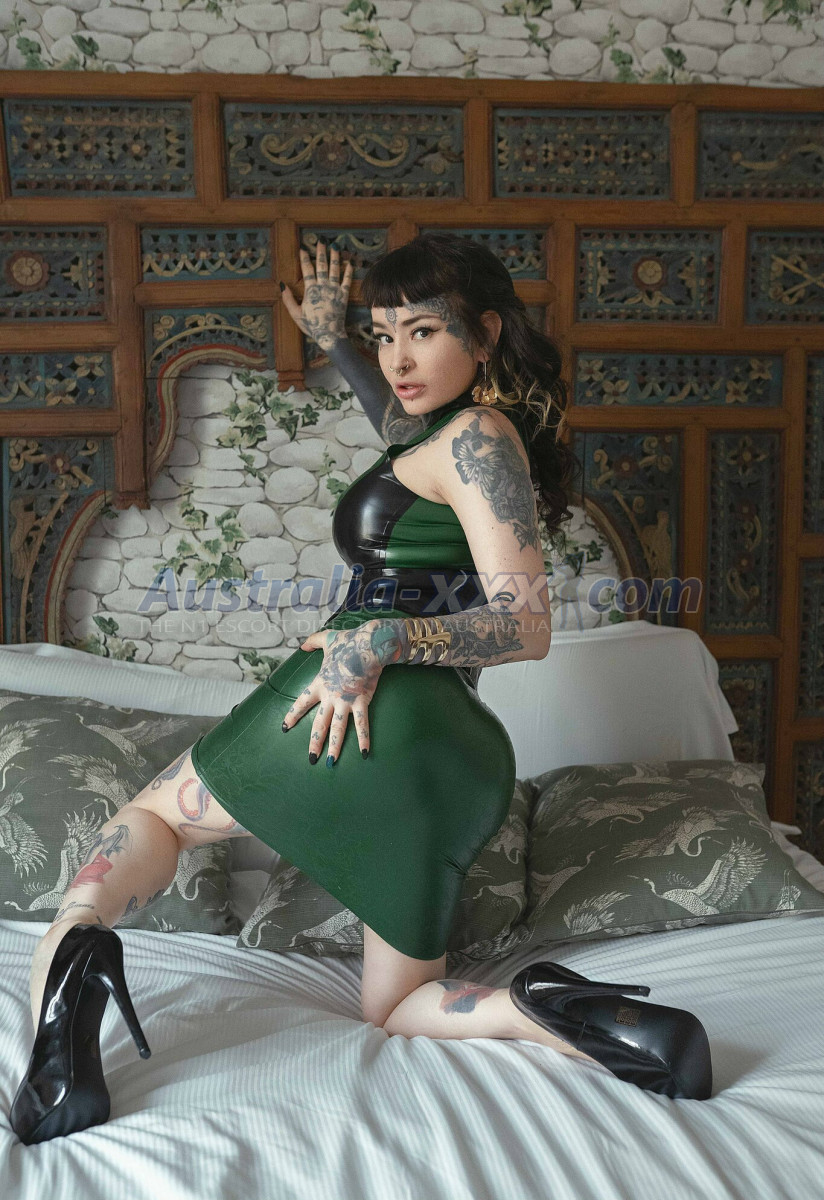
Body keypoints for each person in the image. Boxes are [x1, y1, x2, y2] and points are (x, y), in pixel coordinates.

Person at [10, 235, 712, 1144]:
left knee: (157, 822)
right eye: (385, 337)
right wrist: (333, 338)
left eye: (422, 332)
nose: (398, 359)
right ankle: (560, 1013)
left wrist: (382, 637)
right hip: (450, 755)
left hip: (354, 702)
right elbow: (398, 421)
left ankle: (76, 955)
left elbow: (527, 623)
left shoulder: (476, 439)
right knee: (401, 1005)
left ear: (486, 333)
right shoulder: (455, 438)